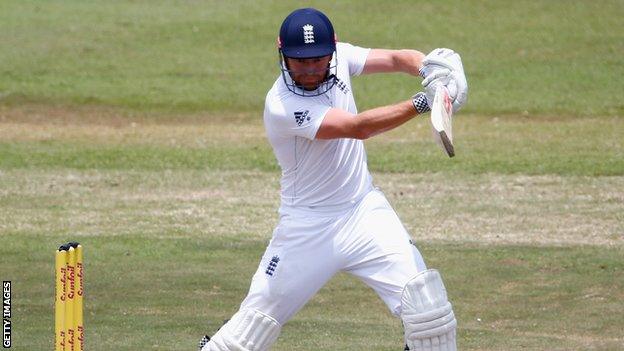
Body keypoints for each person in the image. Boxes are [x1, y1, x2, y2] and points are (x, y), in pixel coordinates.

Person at [199, 7, 467, 351]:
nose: (310, 69)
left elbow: (399, 58)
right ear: (283, 56)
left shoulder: (340, 57)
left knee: (429, 313)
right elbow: (358, 128)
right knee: (248, 332)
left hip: (363, 211)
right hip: (307, 226)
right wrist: (423, 101)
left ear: (332, 49)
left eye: (318, 59)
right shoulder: (281, 105)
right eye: (299, 61)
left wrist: (432, 70)